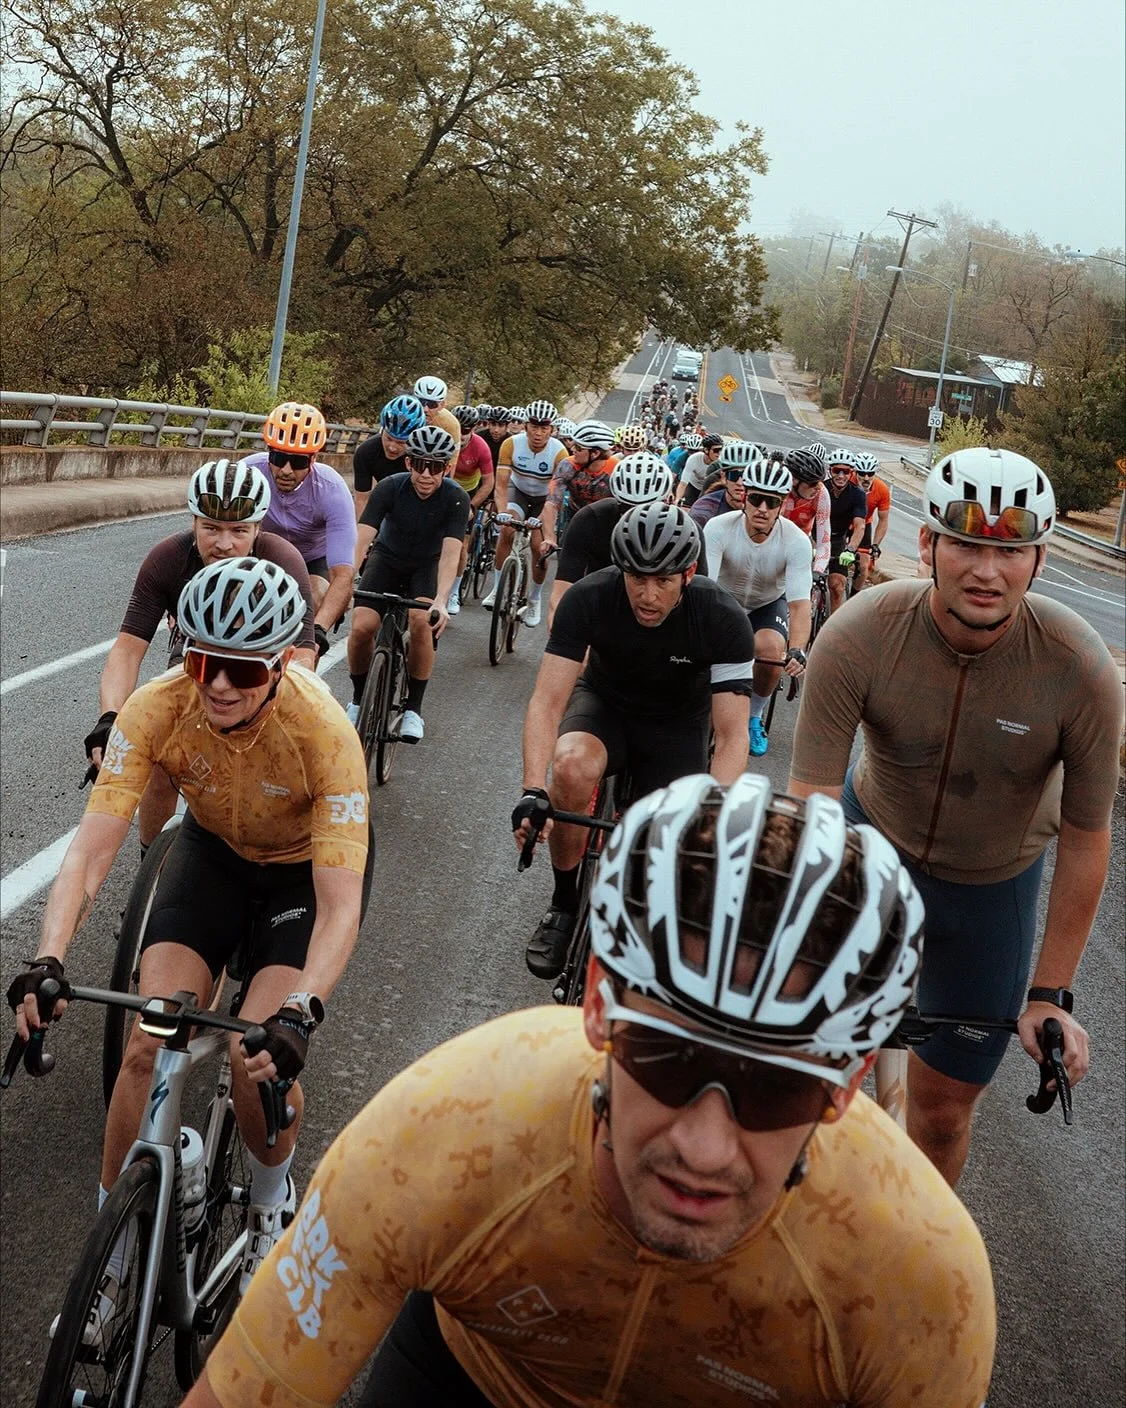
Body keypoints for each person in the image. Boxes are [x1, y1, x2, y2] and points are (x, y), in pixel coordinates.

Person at [182, 775, 996, 1408]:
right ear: (599, 1007)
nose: (704, 1147)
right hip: (477, 1382)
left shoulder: (925, 1277)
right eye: (669, 1059)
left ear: (850, 1084)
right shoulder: (443, 1132)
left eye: (779, 1089)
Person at [8, 557, 370, 1335]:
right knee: (148, 1042)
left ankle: (273, 1204)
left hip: (299, 884)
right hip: (209, 860)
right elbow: (92, 850)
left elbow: (342, 907)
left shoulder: (326, 733)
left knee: (255, 1059)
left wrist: (301, 1012)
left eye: (243, 668)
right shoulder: (157, 706)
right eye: (204, 661)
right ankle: (108, 1263)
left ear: (280, 664)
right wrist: (48, 958)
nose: (220, 686)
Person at [788, 447, 1123, 1186]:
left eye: (1010, 550)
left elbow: (1086, 834)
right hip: (871, 850)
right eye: (966, 542)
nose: (985, 569)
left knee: (940, 1116)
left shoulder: (1080, 667)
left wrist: (1050, 996)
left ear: (1038, 561)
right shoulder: (861, 632)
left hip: (991, 889)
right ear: (928, 543)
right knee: (806, 1076)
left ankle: (908, 1271)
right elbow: (811, 794)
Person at [515, 500, 755, 980]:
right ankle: (563, 904)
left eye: (663, 581)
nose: (648, 596)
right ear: (619, 570)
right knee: (570, 767)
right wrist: (533, 789)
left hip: (677, 723)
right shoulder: (589, 597)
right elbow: (546, 702)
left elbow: (731, 737)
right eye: (636, 579)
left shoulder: (724, 618)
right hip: (605, 707)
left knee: (669, 844)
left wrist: (712, 810)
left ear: (688, 575)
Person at [83, 459, 317, 849]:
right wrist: (110, 719)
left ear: (258, 528)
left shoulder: (283, 561)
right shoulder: (168, 559)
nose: (224, 544)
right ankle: (150, 862)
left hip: (262, 672)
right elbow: (127, 651)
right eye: (211, 528)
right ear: (193, 521)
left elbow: (304, 659)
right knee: (163, 753)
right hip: (195, 656)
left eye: (239, 531)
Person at [347, 425, 468, 742]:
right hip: (387, 558)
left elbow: (450, 553)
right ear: (408, 463)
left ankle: (413, 709)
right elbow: (362, 537)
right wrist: (345, 580)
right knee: (361, 627)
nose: (427, 475)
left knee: (420, 623)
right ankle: (359, 700)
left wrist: (442, 599)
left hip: (426, 565)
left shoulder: (456, 498)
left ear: (447, 468)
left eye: (436, 467)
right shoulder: (389, 487)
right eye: (420, 465)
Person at [703, 455, 811, 759]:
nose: (762, 509)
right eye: (757, 499)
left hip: (767, 603)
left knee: (769, 648)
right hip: (724, 600)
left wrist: (798, 648)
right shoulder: (717, 527)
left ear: (782, 504)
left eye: (771, 502)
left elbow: (800, 604)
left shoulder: (797, 541)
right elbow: (706, 588)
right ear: (744, 496)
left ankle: (753, 716)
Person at [243, 402, 357, 637]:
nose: (285, 470)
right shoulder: (247, 474)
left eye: (298, 462)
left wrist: (318, 633)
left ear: (313, 459)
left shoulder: (331, 488)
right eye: (278, 457)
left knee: (317, 596)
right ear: (268, 451)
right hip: (262, 552)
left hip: (312, 559)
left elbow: (343, 574)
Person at [546, 450, 674, 629]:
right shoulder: (590, 519)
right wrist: (562, 640)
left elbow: (697, 603)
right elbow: (562, 591)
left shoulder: (686, 531)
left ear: (668, 502)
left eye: (647, 510)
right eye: (627, 508)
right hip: (602, 604)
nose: (637, 518)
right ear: (614, 498)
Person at [484, 399, 568, 628]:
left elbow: (555, 497)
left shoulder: (560, 453)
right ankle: (497, 588)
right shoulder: (511, 444)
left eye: (544, 428)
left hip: (544, 500)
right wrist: (502, 513)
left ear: (552, 429)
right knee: (507, 530)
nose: (538, 433)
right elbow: (501, 486)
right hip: (517, 491)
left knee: (538, 547)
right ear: (525, 426)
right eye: (534, 427)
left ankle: (534, 598)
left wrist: (540, 520)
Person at [539, 418, 618, 556]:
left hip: (605, 520)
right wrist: (549, 537)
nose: (572, 449)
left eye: (579, 447)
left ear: (595, 453)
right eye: (574, 444)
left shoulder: (616, 469)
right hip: (575, 516)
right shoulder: (568, 465)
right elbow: (551, 502)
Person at [445, 405, 496, 615]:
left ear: (474, 429)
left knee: (461, 546)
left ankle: (454, 591)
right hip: (446, 486)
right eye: (459, 428)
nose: (462, 434)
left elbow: (488, 482)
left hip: (468, 492)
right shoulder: (445, 440)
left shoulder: (481, 447)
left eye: (466, 430)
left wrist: (472, 505)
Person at [350, 395, 427, 519]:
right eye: (388, 439)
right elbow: (362, 500)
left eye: (401, 442)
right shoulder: (366, 452)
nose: (392, 447)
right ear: (382, 430)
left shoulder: (423, 455)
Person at [822, 448, 867, 613]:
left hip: (839, 541)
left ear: (851, 473)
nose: (841, 476)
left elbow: (860, 526)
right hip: (816, 538)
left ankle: (832, 628)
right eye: (836, 470)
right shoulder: (821, 489)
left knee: (837, 586)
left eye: (845, 471)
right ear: (830, 471)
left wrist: (850, 549)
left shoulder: (858, 495)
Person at [780, 447, 831, 575]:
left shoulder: (821, 493)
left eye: (819, 482)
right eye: (812, 483)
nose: (817, 488)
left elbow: (824, 541)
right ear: (794, 481)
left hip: (801, 541)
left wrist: (818, 571)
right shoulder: (779, 489)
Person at [688, 439, 755, 528]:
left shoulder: (764, 508)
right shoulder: (704, 510)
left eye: (746, 476)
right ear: (723, 477)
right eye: (733, 475)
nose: (740, 483)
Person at [853, 452, 891, 590]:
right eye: (862, 473)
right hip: (844, 522)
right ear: (855, 471)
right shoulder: (847, 482)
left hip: (864, 524)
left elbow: (883, 520)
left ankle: (853, 596)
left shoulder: (882, 489)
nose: (866, 478)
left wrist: (875, 544)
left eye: (870, 473)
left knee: (864, 567)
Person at [412, 374, 464, 450]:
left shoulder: (451, 424)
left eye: (432, 405)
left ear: (441, 405)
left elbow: (453, 456)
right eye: (421, 402)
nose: (425, 409)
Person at [673, 432, 723, 506]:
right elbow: (683, 483)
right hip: (693, 486)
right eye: (716, 450)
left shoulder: (721, 462)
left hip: (709, 490)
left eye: (721, 450)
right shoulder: (693, 459)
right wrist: (677, 499)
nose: (719, 453)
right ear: (706, 450)